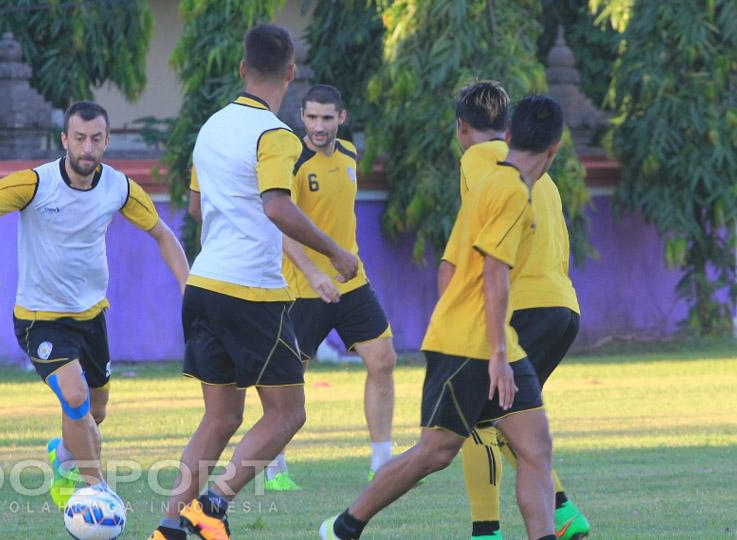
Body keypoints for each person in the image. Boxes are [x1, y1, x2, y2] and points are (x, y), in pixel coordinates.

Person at [0, 101, 190, 509]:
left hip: (92, 317)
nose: (87, 148)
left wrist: (189, 288)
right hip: (40, 319)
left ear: (107, 142)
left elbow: (161, 234)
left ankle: (63, 454)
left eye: (96, 139)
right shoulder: (34, 184)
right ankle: (97, 490)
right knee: (74, 396)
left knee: (93, 414)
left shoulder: (118, 187)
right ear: (65, 140)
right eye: (80, 138)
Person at [319, 96, 566, 540]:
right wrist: (493, 353)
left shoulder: (490, 184)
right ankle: (344, 526)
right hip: (472, 346)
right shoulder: (511, 193)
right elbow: (494, 274)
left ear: (508, 137)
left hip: (492, 340)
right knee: (435, 452)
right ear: (555, 149)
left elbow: (448, 266)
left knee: (535, 447)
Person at [149, 24, 358, 540]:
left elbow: (196, 208)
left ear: (243, 68)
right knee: (288, 413)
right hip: (250, 293)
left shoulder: (211, 127)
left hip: (204, 284)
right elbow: (277, 205)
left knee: (220, 418)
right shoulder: (277, 136)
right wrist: (334, 251)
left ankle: (169, 525)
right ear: (291, 73)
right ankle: (212, 506)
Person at [443, 82, 590, 540]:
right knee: (511, 418)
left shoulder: (476, 158)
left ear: (462, 128)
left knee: (473, 419)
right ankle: (562, 515)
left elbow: (482, 237)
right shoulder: (544, 177)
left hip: (523, 306)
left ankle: (487, 531)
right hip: (562, 307)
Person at [260, 84, 397, 492]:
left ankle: (382, 463)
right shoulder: (294, 162)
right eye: (311, 117)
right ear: (302, 117)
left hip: (352, 281)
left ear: (342, 117)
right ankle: (274, 468)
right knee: (288, 380)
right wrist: (315, 274)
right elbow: (282, 228)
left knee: (384, 360)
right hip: (303, 288)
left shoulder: (352, 154)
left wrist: (339, 266)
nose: (318, 126)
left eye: (327, 118)